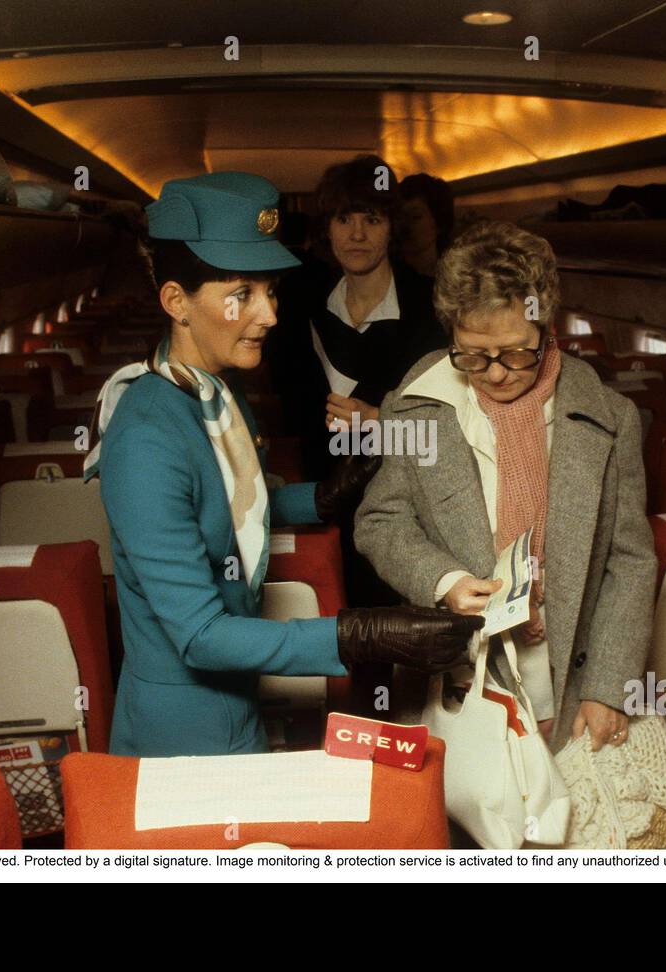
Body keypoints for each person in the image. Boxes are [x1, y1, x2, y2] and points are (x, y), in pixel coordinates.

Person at [85, 171, 480, 757]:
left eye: (269, 291)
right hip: (182, 736)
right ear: (176, 302)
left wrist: (321, 497)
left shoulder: (212, 393)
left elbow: (226, 504)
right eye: (241, 293)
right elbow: (200, 636)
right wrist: (358, 637)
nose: (269, 314)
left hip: (237, 707)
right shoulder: (145, 439)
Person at [354, 221, 657, 751]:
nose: (495, 374)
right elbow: (381, 521)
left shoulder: (612, 418)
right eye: (473, 355)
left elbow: (629, 562)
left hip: (564, 677)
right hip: (456, 674)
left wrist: (609, 687)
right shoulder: (415, 403)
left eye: (517, 352)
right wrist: (442, 579)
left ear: (547, 326)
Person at [266, 154, 447, 485]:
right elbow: (293, 414)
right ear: (327, 228)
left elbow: (447, 432)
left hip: (407, 496)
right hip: (321, 494)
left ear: (393, 228)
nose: (357, 235)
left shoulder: (432, 310)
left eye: (373, 220)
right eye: (344, 219)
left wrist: (379, 421)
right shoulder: (300, 307)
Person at [398, 173, 455, 278]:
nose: (404, 224)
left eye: (415, 217)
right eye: (398, 216)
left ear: (439, 223)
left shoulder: (454, 278)